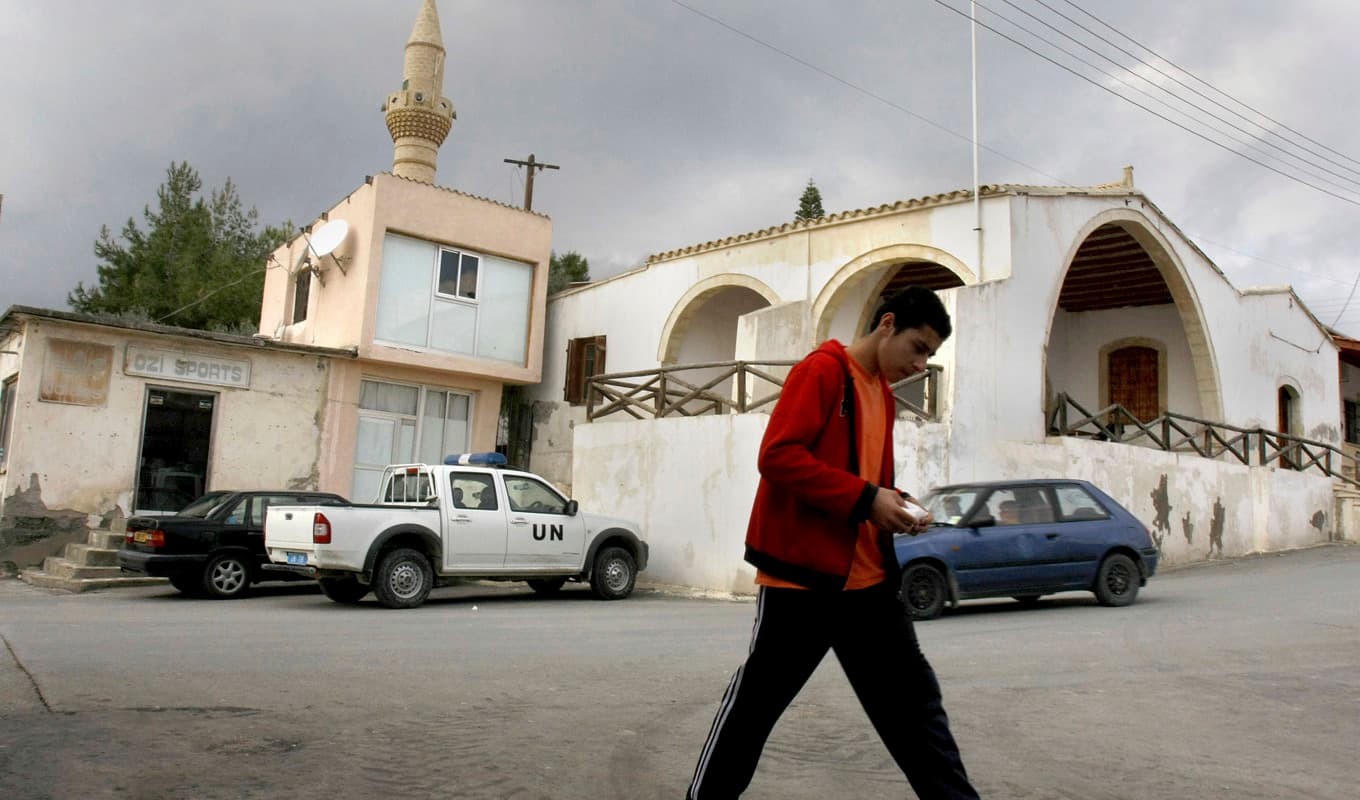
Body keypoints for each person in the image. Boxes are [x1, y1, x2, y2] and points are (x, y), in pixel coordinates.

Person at [686, 286, 980, 800]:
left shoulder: (882, 394)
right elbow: (778, 457)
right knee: (753, 711)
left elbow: (862, 478)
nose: (921, 363)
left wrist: (897, 504)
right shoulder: (821, 371)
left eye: (930, 355)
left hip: (869, 585)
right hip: (803, 583)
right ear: (886, 323)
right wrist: (868, 500)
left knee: (918, 714)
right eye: (918, 347)